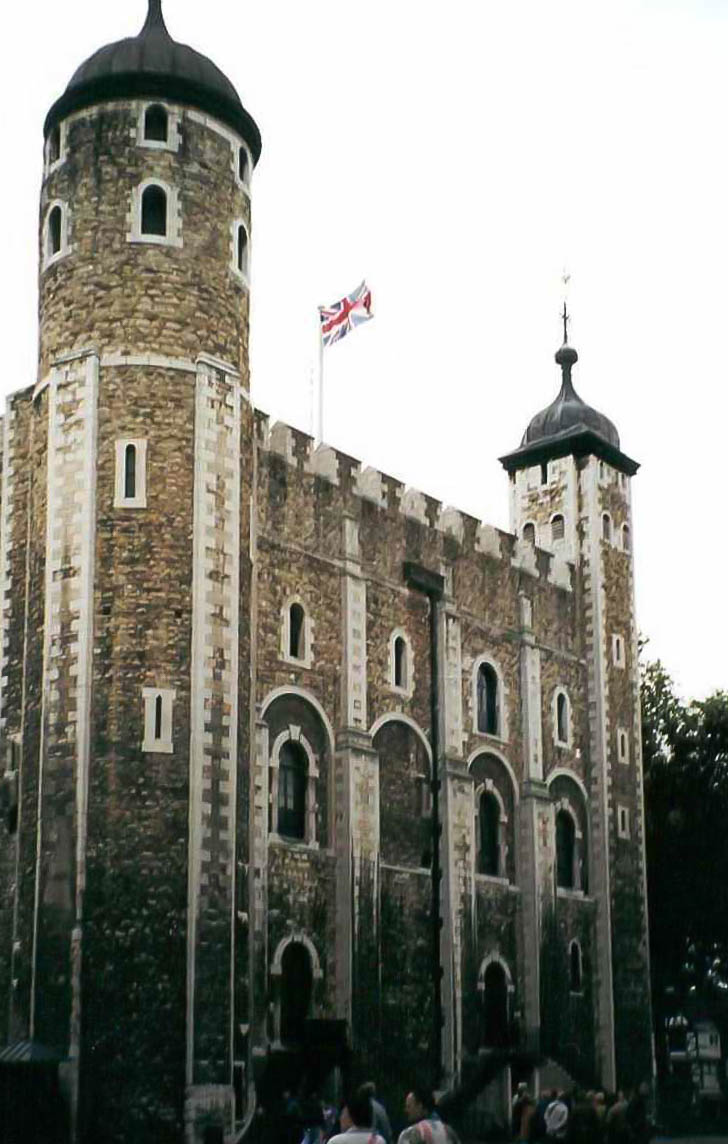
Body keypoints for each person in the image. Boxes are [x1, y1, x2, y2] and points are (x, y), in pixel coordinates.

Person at [397, 1087, 461, 1144]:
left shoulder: (409, 1134)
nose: (406, 1110)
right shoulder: (449, 1131)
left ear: (420, 1106)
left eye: (409, 1106)